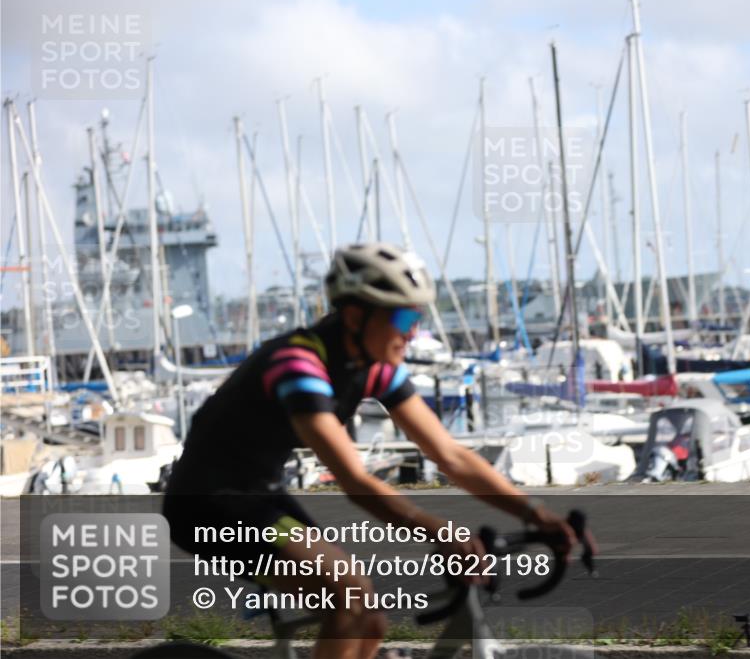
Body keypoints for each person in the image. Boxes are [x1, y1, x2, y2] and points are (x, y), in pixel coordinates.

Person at [163, 242, 576, 659]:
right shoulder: (298, 365)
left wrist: (535, 514)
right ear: (357, 316)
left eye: (417, 316)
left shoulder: (374, 365)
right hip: (207, 504)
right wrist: (438, 531)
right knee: (348, 594)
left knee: (371, 619)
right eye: (402, 317)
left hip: (260, 495)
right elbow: (355, 481)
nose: (412, 331)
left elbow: (449, 454)